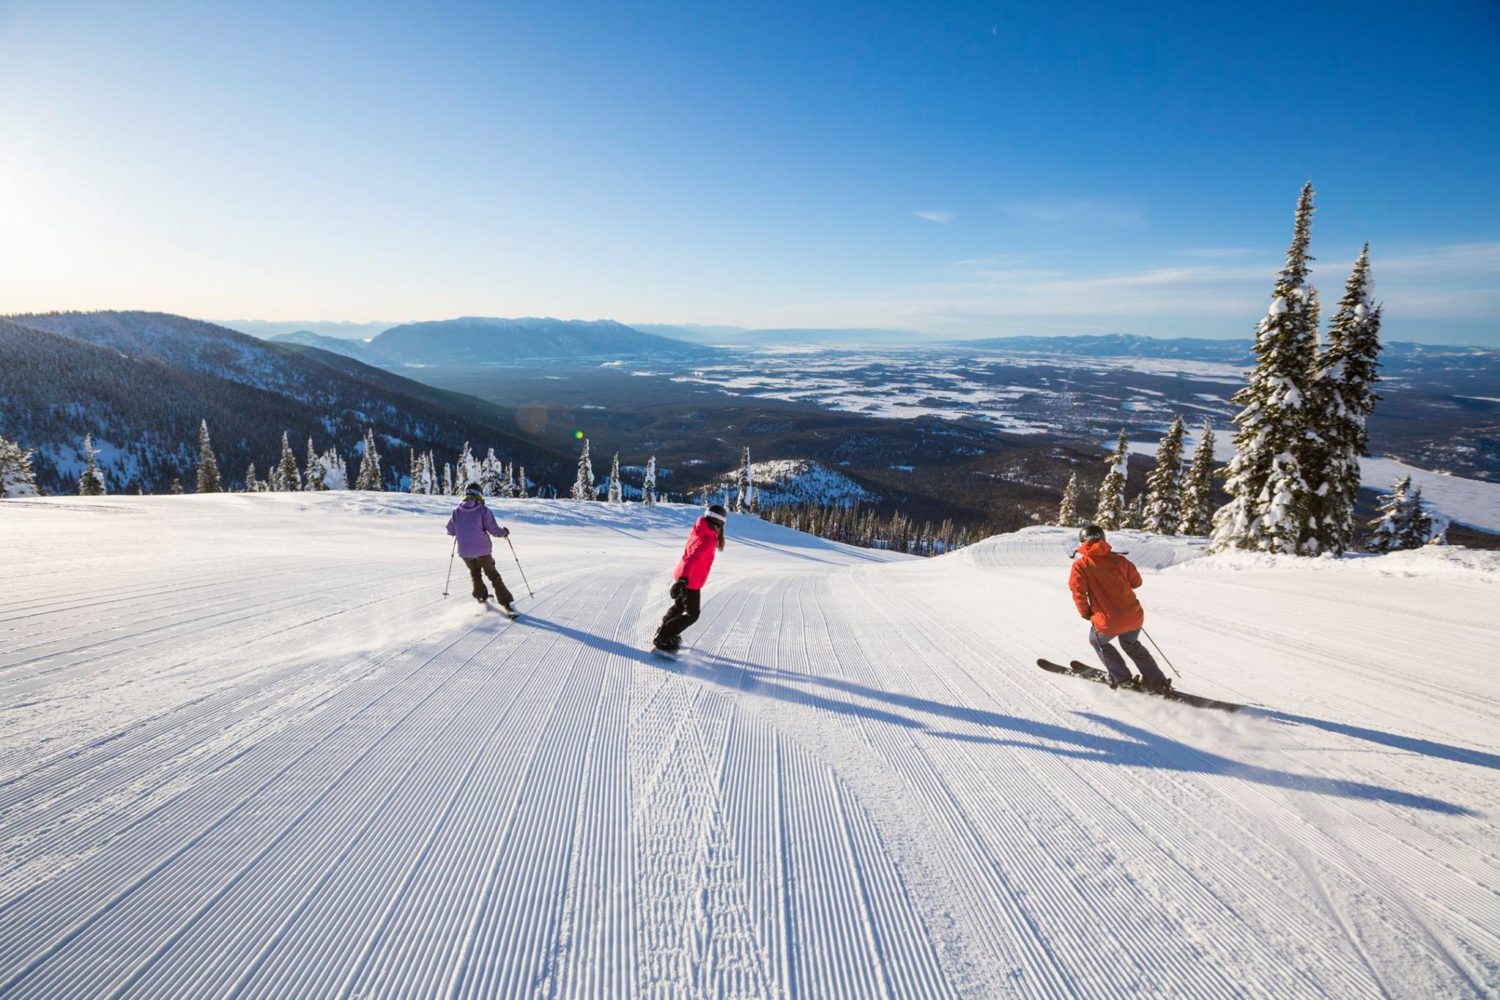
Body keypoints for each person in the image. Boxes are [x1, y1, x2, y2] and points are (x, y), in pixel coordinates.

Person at [1068, 524, 1170, 691]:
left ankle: (1122, 679)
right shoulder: (1120, 560)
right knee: (1131, 644)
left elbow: (1078, 593)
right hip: (1134, 616)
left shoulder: (1081, 566)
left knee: (1097, 641)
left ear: (1082, 542)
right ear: (1103, 539)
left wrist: (1086, 612)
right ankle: (1157, 682)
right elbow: (1137, 582)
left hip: (1108, 621)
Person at [653, 504, 727, 653]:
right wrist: (684, 580)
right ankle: (664, 636)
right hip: (690, 581)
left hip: (685, 576)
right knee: (692, 614)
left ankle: (664, 632)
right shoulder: (708, 539)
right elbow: (691, 559)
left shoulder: (700, 529)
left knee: (679, 607)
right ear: (720, 522)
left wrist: (682, 578)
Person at [446, 483, 517, 613]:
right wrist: (504, 532)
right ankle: (505, 602)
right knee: (493, 576)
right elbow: (494, 530)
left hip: (465, 553)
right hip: (483, 551)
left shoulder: (456, 511)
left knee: (475, 574)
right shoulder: (483, 510)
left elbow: (450, 530)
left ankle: (480, 596)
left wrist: (461, 530)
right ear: (479, 494)